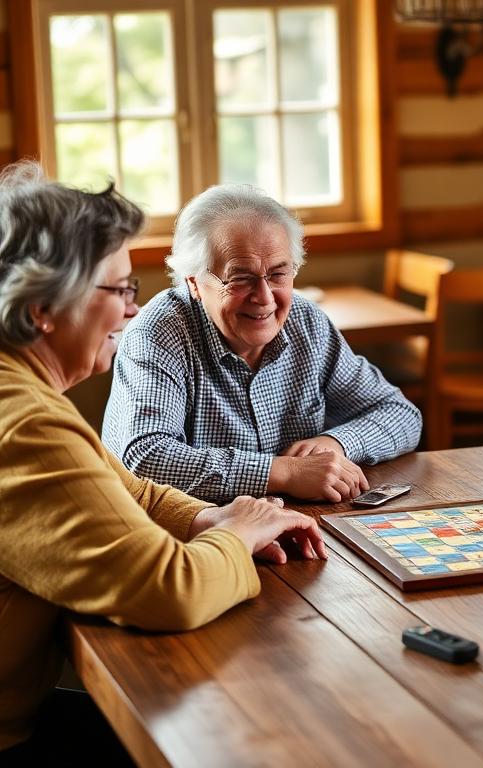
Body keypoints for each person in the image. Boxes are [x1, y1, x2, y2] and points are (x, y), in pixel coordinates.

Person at [0, 164, 328, 765]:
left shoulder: (24, 391)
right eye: (117, 290)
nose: (131, 310)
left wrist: (217, 516)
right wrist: (235, 535)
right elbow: (167, 589)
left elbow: (132, 491)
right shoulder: (23, 422)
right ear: (44, 306)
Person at [102, 185, 422, 504]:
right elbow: (146, 458)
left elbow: (401, 413)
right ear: (195, 283)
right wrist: (285, 473)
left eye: (279, 274)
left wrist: (334, 444)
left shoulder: (306, 323)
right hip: (183, 536)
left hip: (291, 526)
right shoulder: (160, 332)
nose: (265, 297)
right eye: (240, 278)